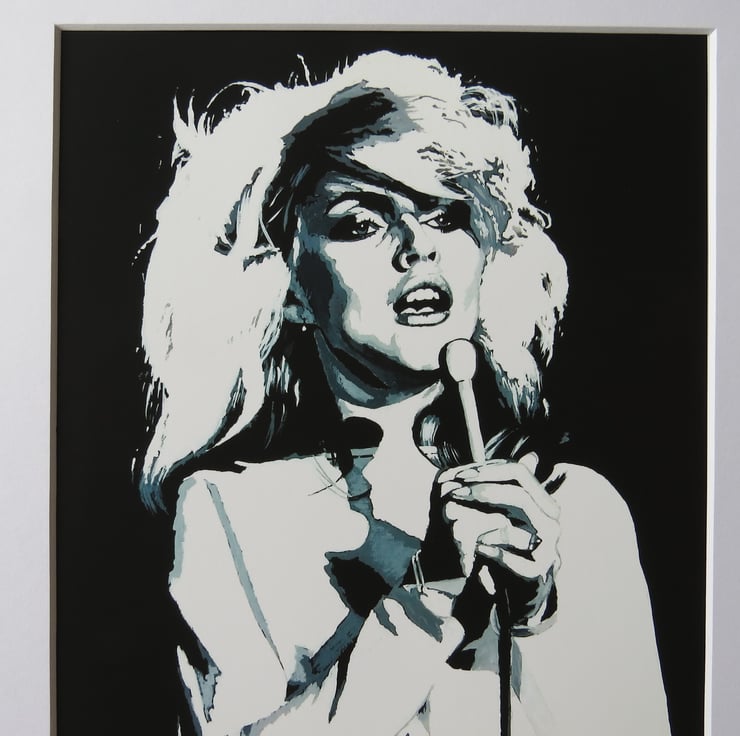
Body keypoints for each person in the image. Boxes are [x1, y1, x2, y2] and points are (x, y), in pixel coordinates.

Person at [138, 51, 671, 735]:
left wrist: (537, 615)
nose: (418, 246)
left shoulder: (579, 508)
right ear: (291, 286)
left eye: (447, 215)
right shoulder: (228, 510)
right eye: (361, 223)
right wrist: (431, 591)